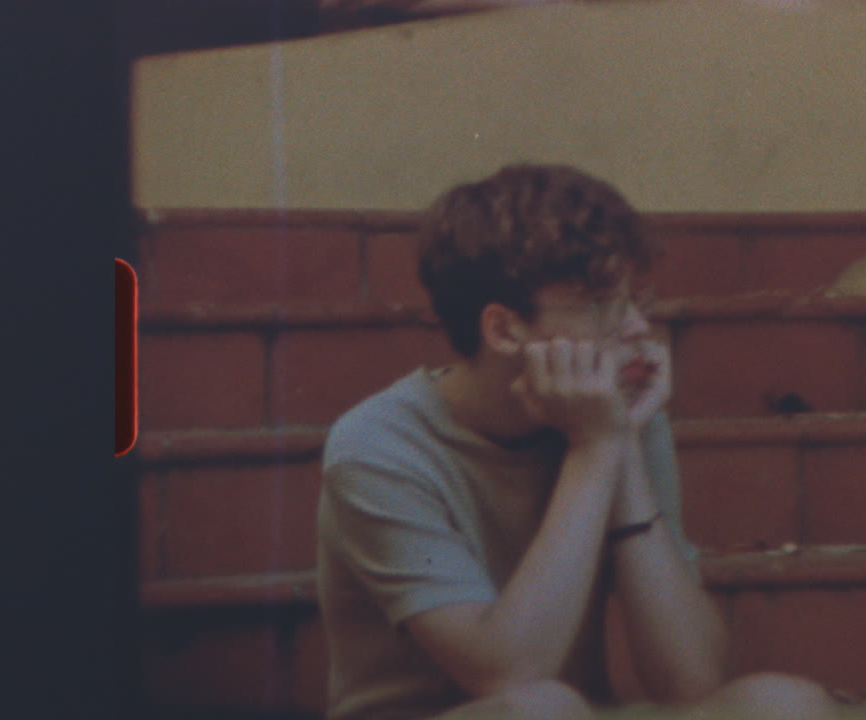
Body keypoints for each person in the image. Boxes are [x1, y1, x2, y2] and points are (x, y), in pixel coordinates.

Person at [316, 164, 839, 720]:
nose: (636, 327)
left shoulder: (605, 417)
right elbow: (505, 673)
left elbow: (691, 679)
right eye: (599, 304)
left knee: (786, 705)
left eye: (635, 299)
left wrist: (621, 445)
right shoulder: (379, 446)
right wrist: (593, 452)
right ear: (504, 330)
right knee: (538, 711)